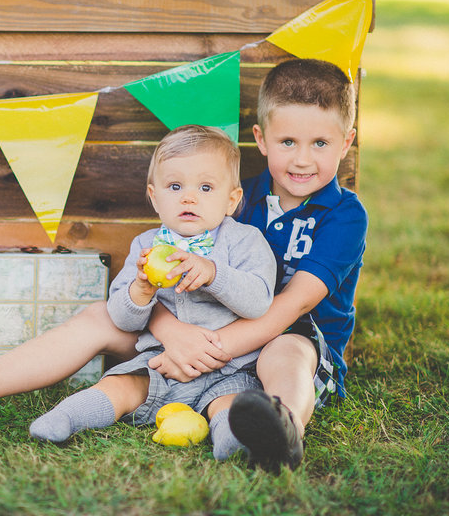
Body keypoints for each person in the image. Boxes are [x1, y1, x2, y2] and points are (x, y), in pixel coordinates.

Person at [0, 58, 366, 473]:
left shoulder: (345, 215)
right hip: (192, 328)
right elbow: (174, 270)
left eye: (320, 144)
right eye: (289, 142)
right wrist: (172, 332)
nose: (302, 160)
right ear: (261, 139)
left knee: (289, 350)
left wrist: (204, 350)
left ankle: (279, 427)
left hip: (288, 339)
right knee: (100, 315)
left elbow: (287, 307)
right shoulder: (236, 192)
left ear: (346, 141)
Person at [28, 125, 275, 459]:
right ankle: (67, 416)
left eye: (205, 187)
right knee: (120, 385)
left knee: (230, 405)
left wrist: (214, 274)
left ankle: (230, 442)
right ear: (155, 197)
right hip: (160, 362)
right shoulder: (146, 246)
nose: (189, 197)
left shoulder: (245, 241)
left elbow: (260, 301)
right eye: (175, 186)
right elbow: (120, 317)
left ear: (231, 200)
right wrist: (142, 289)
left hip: (229, 369)